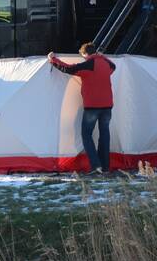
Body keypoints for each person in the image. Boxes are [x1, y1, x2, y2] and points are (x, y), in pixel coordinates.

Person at [47, 43, 116, 175]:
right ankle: (106, 167)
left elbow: (68, 69)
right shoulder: (106, 64)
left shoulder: (88, 64)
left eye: (82, 56)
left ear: (85, 54)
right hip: (107, 106)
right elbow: (114, 66)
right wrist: (102, 57)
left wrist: (52, 59)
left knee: (86, 135)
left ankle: (96, 166)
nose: (82, 58)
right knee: (104, 135)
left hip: (92, 106)